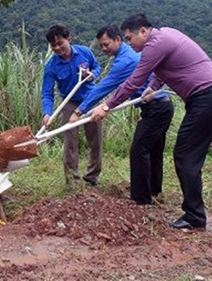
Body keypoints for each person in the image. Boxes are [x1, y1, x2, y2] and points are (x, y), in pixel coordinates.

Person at [91, 14, 212, 230]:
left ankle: (194, 216)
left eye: (129, 38)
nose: (129, 43)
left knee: (185, 155)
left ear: (143, 31)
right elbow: (166, 67)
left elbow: (134, 79)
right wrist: (153, 87)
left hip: (206, 99)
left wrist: (107, 106)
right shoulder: (168, 35)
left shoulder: (154, 45)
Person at [69, 25, 174, 205]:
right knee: (153, 151)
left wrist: (79, 111)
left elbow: (104, 87)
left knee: (139, 151)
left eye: (106, 44)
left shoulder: (125, 61)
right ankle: (154, 191)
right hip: (162, 107)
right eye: (101, 46)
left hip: (156, 108)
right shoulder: (127, 57)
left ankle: (140, 200)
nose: (104, 49)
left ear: (118, 40)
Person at [41, 24, 102, 186]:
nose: (57, 47)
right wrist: (47, 113)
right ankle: (72, 181)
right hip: (69, 103)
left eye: (60, 43)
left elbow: (97, 67)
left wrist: (92, 75)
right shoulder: (51, 67)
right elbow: (47, 93)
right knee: (70, 142)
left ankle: (92, 176)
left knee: (95, 140)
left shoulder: (84, 52)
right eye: (53, 45)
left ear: (69, 39)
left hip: (91, 99)